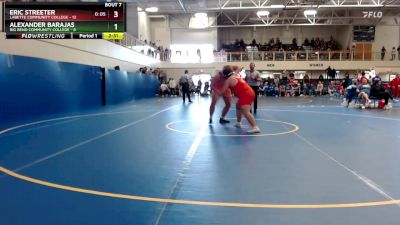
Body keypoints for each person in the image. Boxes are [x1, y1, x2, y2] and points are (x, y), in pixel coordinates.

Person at [217, 65, 260, 134]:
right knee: (238, 106)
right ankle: (238, 122)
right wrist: (230, 67)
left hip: (246, 95)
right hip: (249, 92)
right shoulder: (235, 74)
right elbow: (240, 67)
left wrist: (216, 92)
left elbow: (222, 91)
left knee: (246, 112)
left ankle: (255, 127)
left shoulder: (228, 80)